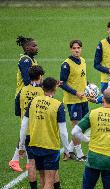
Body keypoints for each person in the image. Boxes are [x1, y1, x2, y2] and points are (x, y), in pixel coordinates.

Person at [18, 77, 70, 189]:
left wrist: (21, 145)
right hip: (50, 147)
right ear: (55, 88)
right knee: (49, 181)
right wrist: (67, 149)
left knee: (42, 178)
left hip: (34, 145)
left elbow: (23, 125)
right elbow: (63, 131)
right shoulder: (58, 105)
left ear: (43, 87)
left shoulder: (33, 102)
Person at [9, 36, 40, 172]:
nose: (36, 47)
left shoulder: (32, 59)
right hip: (23, 97)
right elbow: (28, 80)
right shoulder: (25, 60)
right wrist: (44, 85)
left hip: (30, 96)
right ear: (27, 47)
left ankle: (28, 161)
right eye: (34, 46)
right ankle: (14, 160)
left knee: (30, 129)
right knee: (26, 128)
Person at [15, 65, 45, 188]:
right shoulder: (42, 92)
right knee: (43, 165)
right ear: (40, 76)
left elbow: (17, 111)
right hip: (40, 132)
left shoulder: (22, 91)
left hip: (27, 132)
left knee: (31, 163)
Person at [60, 39, 89, 161]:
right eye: (74, 48)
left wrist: (89, 87)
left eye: (78, 48)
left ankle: (69, 150)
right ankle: (79, 153)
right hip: (73, 100)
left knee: (84, 126)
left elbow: (82, 79)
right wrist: (75, 92)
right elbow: (62, 83)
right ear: (71, 49)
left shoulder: (83, 61)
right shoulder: (66, 64)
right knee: (77, 126)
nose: (76, 50)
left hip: (83, 99)